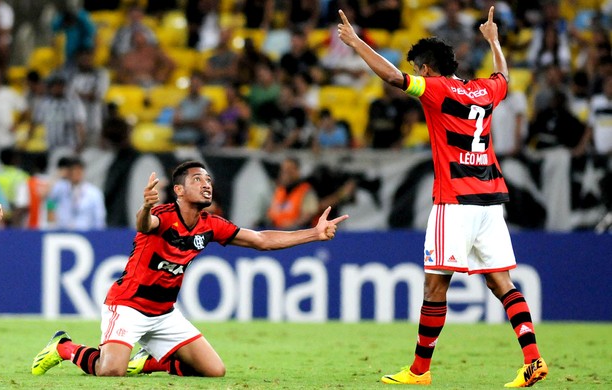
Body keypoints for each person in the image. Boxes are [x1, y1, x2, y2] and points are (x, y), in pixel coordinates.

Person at [337, 6, 548, 387]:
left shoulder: (434, 89)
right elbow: (504, 77)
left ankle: (419, 371)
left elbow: (391, 76)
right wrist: (494, 41)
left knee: (435, 286)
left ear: (428, 68)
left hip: (453, 201)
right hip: (489, 199)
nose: (417, 74)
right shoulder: (484, 89)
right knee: (502, 282)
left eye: (418, 68)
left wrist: (356, 43)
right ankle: (533, 359)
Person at [31, 160, 347, 377]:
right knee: (110, 371)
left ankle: (146, 364)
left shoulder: (211, 225)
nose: (206, 184)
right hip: (128, 305)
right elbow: (145, 223)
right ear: (179, 190)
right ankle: (63, 347)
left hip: (166, 313)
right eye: (197, 179)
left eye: (208, 179)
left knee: (214, 371)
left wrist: (313, 233)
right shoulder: (163, 216)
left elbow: (262, 240)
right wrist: (145, 206)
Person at [46, 156, 106, 230]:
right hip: (63, 231)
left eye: (79, 170)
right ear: (69, 172)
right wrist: (51, 224)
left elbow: (99, 217)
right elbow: (50, 203)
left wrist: (98, 233)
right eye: (74, 170)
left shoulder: (94, 193)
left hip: (85, 232)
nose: (77, 173)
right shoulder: (59, 188)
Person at [265, 157, 319, 230]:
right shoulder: (279, 190)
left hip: (298, 233)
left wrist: (292, 224)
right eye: (283, 170)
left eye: (289, 170)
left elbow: (308, 215)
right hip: (277, 233)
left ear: (297, 171)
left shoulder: (305, 190)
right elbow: (271, 213)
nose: (286, 173)